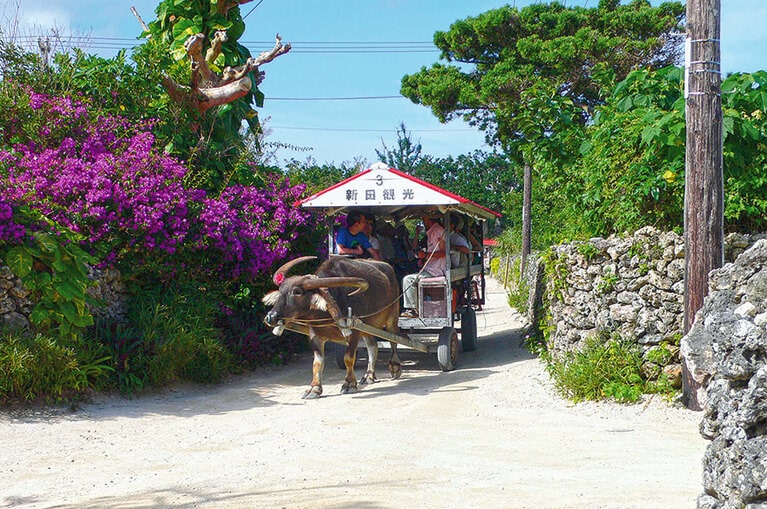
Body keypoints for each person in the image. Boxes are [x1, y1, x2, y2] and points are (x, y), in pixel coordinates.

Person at [400, 214, 446, 318]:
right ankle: (417, 307)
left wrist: (425, 255)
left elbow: (444, 252)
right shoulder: (431, 232)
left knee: (408, 280)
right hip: (429, 268)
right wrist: (424, 258)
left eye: (423, 217)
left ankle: (412, 309)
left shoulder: (438, 231)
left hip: (435, 271)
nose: (422, 220)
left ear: (428, 218)